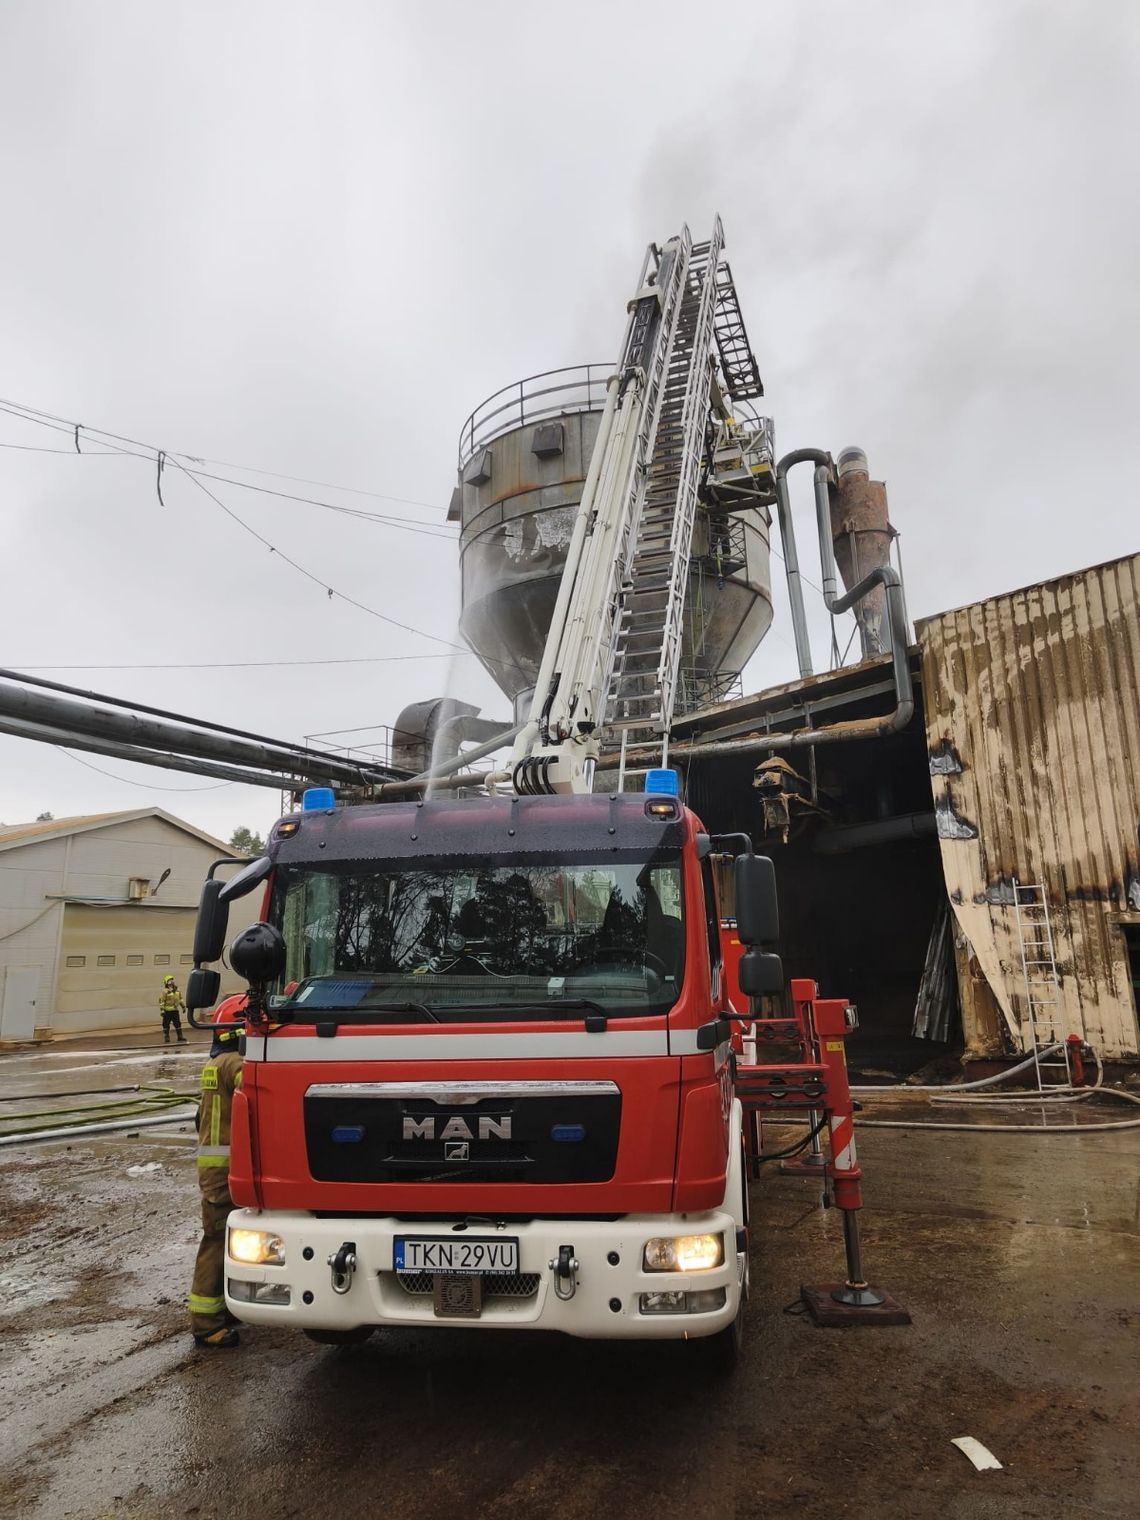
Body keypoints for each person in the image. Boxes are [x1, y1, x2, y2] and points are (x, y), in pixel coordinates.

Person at [187, 1001, 244, 1348]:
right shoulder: (234, 1063)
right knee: (216, 1240)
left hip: (214, 1168)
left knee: (224, 1238)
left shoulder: (213, 1063)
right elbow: (260, 1091)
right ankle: (207, 1323)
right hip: (225, 1169)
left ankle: (222, 1307)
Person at [158, 974, 188, 1044]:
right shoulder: (165, 991)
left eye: (172, 980)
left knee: (177, 1023)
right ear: (166, 982)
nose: (171, 982)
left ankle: (180, 1036)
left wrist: (183, 1006)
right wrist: (162, 1010)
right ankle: (166, 1037)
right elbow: (162, 1001)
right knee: (166, 1024)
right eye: (169, 981)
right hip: (167, 1011)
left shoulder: (177, 990)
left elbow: (180, 999)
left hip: (175, 1010)